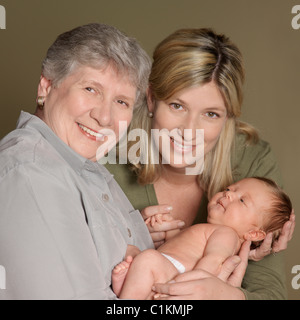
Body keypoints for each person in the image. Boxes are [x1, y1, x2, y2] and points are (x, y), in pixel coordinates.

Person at [106, 28, 295, 299]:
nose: (188, 130)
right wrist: (128, 233)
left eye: (210, 114)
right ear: (151, 98)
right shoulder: (108, 152)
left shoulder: (251, 161)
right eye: (177, 106)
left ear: (227, 117)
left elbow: (270, 294)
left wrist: (222, 295)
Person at [0, 23, 155, 300]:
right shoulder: (32, 173)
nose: (105, 117)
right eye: (91, 89)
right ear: (46, 87)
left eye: (121, 102)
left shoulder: (85, 168)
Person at [112, 177, 293, 300]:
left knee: (147, 258)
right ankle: (131, 286)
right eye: (229, 189)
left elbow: (213, 261)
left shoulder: (227, 235)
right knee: (132, 250)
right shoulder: (210, 229)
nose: (228, 194)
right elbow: (178, 248)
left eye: (242, 200)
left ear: (254, 233)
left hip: (177, 277)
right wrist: (169, 230)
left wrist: (184, 287)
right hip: (168, 268)